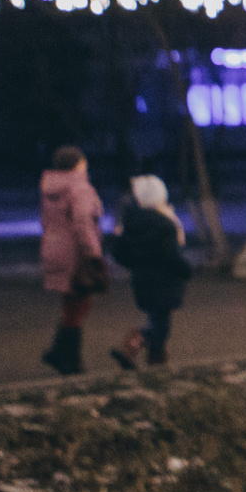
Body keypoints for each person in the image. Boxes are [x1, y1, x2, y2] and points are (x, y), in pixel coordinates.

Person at [109, 174, 192, 370]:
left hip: (142, 280)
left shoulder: (132, 222)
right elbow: (172, 256)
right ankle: (134, 346)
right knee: (161, 326)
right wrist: (185, 270)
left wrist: (137, 264)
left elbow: (119, 251)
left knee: (157, 320)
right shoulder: (165, 224)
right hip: (165, 282)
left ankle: (156, 362)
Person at [38, 145, 105, 375]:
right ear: (78, 164)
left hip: (54, 250)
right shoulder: (80, 187)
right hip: (75, 253)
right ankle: (68, 359)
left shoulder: (50, 188)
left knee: (70, 303)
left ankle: (59, 352)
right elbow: (83, 223)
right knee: (80, 304)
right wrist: (93, 254)